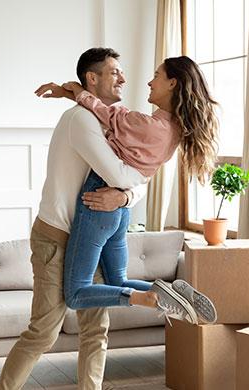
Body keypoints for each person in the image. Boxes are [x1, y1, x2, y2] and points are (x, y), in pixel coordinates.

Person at [0, 48, 198, 390]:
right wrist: (126, 190)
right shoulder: (81, 120)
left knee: (95, 329)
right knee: (43, 332)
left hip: (92, 233)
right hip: (58, 235)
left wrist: (125, 196)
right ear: (93, 78)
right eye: (115, 71)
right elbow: (118, 172)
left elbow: (135, 180)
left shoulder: (110, 117)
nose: (124, 78)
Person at [35, 55, 219, 324]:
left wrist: (71, 91)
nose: (148, 81)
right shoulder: (173, 130)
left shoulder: (147, 125)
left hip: (98, 201)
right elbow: (139, 177)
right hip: (120, 211)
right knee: (117, 279)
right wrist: (125, 197)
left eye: (156, 75)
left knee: (76, 293)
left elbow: (107, 115)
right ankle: (174, 293)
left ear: (172, 83)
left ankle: (145, 298)